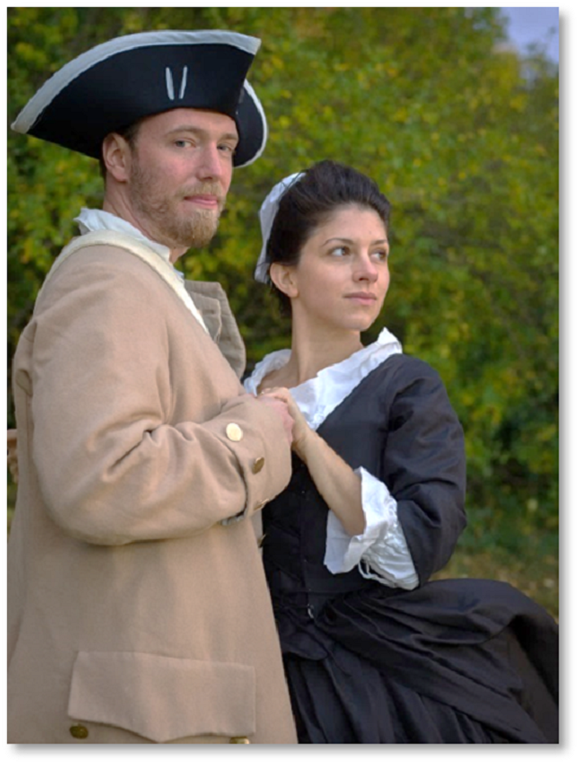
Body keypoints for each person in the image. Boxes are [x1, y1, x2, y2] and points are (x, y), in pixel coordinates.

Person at [7, 30, 298, 744]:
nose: (213, 169)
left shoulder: (141, 278)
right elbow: (101, 479)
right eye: (184, 143)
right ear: (116, 157)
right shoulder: (106, 278)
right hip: (141, 716)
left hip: (162, 701)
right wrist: (258, 433)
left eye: (225, 148)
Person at [244, 160, 559, 744]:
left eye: (379, 254)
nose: (368, 273)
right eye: (342, 252)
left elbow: (416, 552)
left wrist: (307, 443)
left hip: (369, 672)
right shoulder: (240, 386)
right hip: (245, 657)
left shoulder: (406, 387)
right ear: (286, 276)